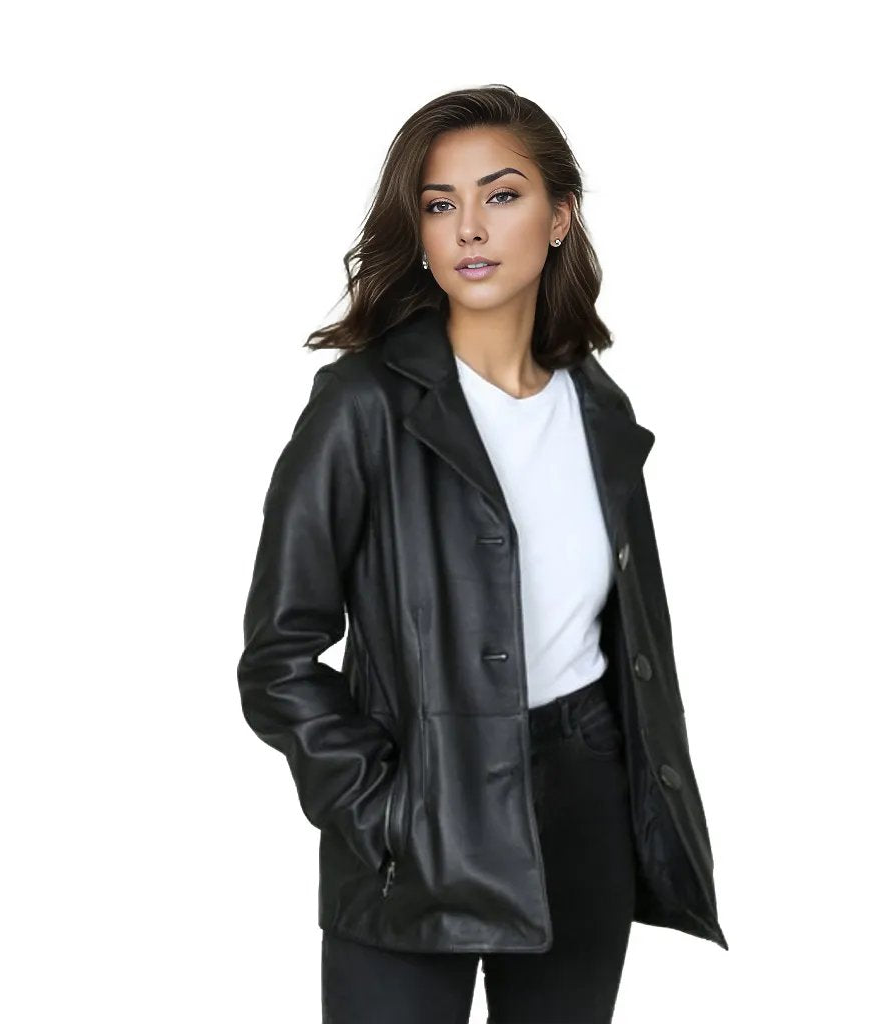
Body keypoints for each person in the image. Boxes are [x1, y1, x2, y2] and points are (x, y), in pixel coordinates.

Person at [237, 84, 727, 1024]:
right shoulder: (364, 405)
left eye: (501, 195)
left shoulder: (599, 411)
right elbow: (278, 656)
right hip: (416, 822)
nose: (469, 227)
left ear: (560, 216)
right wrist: (381, 807)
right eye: (439, 204)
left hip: (583, 800)